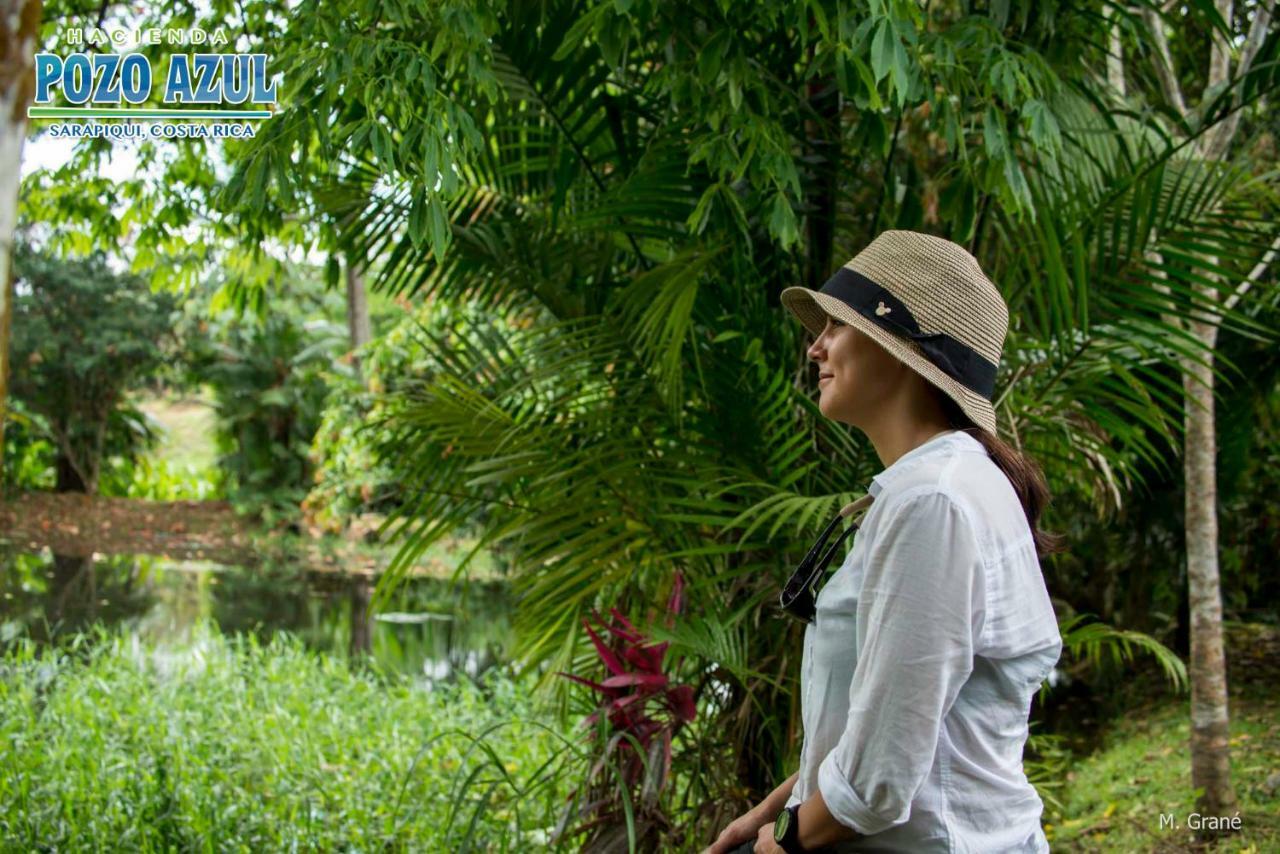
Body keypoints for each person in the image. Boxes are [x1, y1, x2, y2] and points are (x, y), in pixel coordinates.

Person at [703, 231, 1064, 854]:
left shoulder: (933, 503)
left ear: (901, 348)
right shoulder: (937, 484)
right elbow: (890, 724)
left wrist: (780, 841)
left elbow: (879, 780)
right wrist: (768, 812)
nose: (815, 345)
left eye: (837, 325)